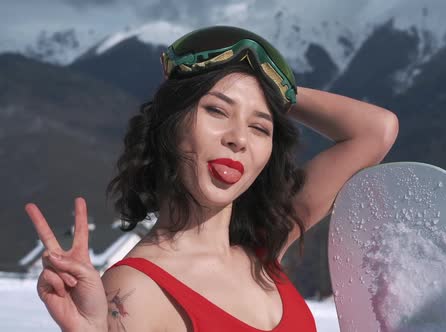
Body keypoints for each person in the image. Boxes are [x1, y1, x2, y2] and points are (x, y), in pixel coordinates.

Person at [25, 25, 399, 331]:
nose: (238, 138)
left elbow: (376, 130)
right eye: (217, 110)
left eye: (259, 127)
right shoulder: (136, 290)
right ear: (171, 125)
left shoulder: (263, 244)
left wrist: (270, 89)